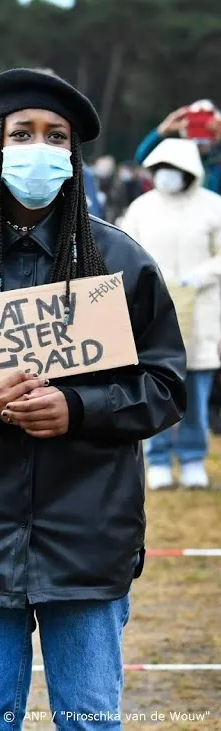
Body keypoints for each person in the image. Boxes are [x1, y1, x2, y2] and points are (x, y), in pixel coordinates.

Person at [0, 69, 185, 729]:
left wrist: (79, 410)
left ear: (73, 157)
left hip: (89, 539)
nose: (38, 147)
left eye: (55, 136)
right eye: (23, 133)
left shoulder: (119, 260)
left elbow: (165, 386)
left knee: (88, 719)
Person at [120, 138, 221, 489]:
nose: (166, 176)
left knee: (195, 387)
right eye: (160, 169)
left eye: (174, 170)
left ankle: (193, 456)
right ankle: (158, 456)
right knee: (154, 384)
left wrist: (199, 276)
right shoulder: (141, 207)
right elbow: (124, 252)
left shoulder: (212, 207)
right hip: (152, 310)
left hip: (200, 308)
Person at [136, 102, 221, 194]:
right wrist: (162, 130)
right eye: (196, 125)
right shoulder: (177, 157)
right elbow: (142, 158)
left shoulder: (217, 161)